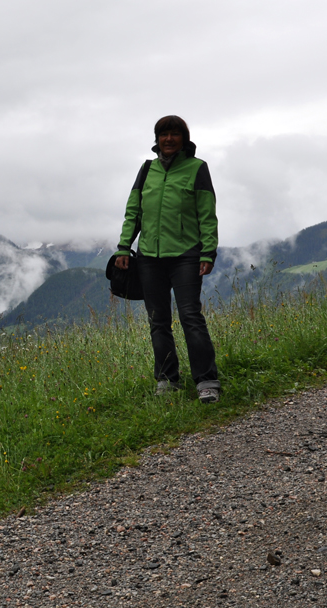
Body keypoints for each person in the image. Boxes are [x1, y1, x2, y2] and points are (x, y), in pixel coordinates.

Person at [114, 115, 221, 403]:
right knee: (158, 320)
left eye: (175, 134)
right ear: (157, 139)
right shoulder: (147, 169)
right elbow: (133, 211)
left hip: (186, 256)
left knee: (190, 317)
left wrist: (208, 251)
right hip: (149, 257)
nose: (169, 139)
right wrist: (124, 247)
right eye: (164, 134)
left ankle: (207, 381)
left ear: (184, 139)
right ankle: (167, 379)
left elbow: (207, 214)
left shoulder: (197, 168)